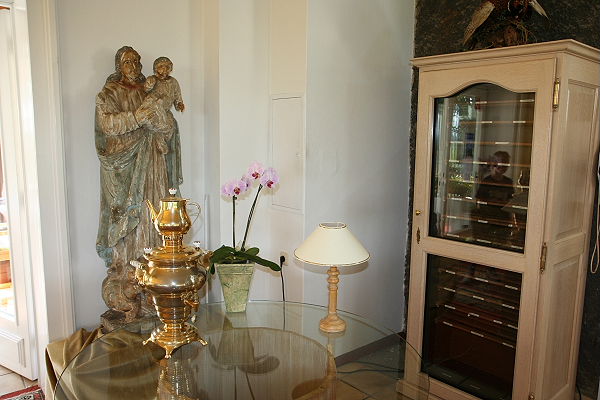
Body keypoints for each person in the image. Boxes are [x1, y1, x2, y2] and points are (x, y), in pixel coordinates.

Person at [95, 46, 183, 323]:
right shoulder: (109, 93)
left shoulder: (150, 91)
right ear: (119, 66)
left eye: (136, 61)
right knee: (128, 222)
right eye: (127, 61)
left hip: (153, 164)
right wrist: (137, 118)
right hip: (125, 168)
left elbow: (168, 123)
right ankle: (129, 279)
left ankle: (156, 280)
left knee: (153, 216)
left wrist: (163, 125)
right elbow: (107, 125)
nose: (133, 65)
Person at [471, 151, 515, 243]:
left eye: (505, 164)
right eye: (500, 164)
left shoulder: (508, 182)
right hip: (489, 219)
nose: (502, 167)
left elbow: (511, 201)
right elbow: (479, 201)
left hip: (503, 220)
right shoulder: (486, 182)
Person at [142, 57, 185, 135]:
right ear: (156, 68)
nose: (164, 69)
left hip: (166, 112)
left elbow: (177, 95)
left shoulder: (173, 82)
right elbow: (146, 89)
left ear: (170, 69)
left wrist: (179, 104)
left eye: (167, 67)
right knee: (158, 130)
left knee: (171, 127)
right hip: (154, 110)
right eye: (161, 67)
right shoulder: (153, 79)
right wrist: (150, 82)